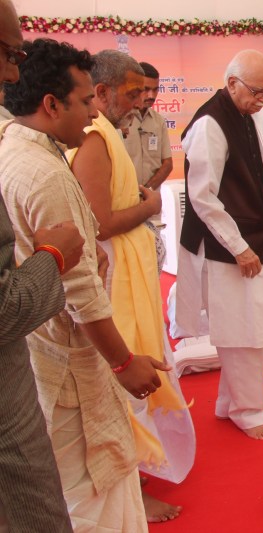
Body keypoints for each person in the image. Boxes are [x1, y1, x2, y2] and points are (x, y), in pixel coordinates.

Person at [1, 37, 168, 530]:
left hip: (44, 346)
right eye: (84, 101)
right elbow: (81, 292)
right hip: (72, 356)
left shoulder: (15, 150)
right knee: (98, 484)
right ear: (52, 105)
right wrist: (123, 362)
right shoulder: (47, 174)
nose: (93, 112)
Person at [69, 50, 193, 523]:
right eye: (134, 92)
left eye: (145, 91)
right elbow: (100, 224)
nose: (143, 99)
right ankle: (132, 486)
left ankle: (138, 476)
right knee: (125, 377)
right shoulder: (95, 138)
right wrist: (150, 206)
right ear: (101, 92)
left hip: (130, 272)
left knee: (142, 365)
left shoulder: (109, 131)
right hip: (115, 277)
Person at [176, 50, 263, 441]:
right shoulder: (210, 123)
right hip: (224, 243)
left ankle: (232, 401)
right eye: (257, 91)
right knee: (242, 328)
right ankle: (247, 409)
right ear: (232, 84)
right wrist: (238, 246)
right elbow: (202, 197)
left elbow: (260, 176)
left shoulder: (248, 115)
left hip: (252, 233)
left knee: (250, 322)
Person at [0, 10, 82, 531]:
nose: (13, 73)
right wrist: (53, 257)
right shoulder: (40, 169)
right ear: (53, 105)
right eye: (10, 54)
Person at [123, 61, 172, 272]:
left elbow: (167, 163)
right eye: (145, 89)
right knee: (129, 265)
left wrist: (147, 192)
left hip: (150, 206)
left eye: (156, 89)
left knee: (153, 262)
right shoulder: (121, 120)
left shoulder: (158, 121)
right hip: (125, 207)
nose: (151, 95)